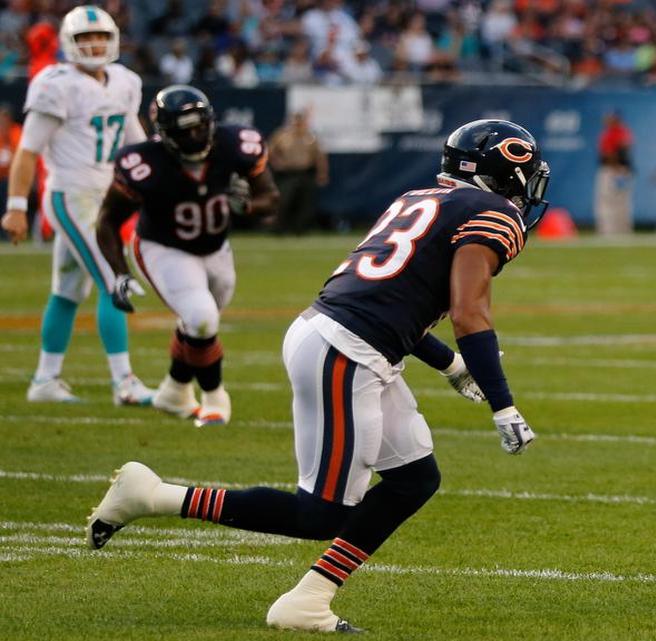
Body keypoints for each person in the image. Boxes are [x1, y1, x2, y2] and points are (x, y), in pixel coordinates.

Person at [85, 119, 549, 632]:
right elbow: (469, 314)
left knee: (414, 479)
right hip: (346, 350)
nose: (529, 186)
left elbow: (392, 302)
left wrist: (451, 365)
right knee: (319, 513)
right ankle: (152, 495)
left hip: (344, 338)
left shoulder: (422, 197)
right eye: (526, 172)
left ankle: (308, 599)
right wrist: (503, 404)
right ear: (501, 170)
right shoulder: (493, 211)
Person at [95, 86, 278, 428]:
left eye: (200, 126)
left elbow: (271, 197)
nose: (195, 136)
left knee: (198, 325)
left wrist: (247, 206)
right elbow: (107, 221)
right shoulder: (143, 163)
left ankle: (174, 390)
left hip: (216, 247)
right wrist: (118, 273)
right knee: (202, 317)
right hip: (162, 247)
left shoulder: (236, 144)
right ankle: (214, 397)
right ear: (164, 133)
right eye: (185, 130)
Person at [1, 6, 153, 406]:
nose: (93, 44)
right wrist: (16, 206)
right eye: (84, 39)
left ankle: (45, 380)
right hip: (71, 195)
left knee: (68, 291)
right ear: (70, 44)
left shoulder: (124, 81)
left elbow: (134, 142)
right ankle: (125, 383)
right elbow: (28, 153)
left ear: (113, 39)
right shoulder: (56, 83)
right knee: (113, 280)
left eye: (99, 36)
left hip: (104, 196)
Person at [268, 110, 328, 234]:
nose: (299, 123)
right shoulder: (282, 135)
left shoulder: (310, 136)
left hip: (306, 173)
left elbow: (320, 156)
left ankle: (300, 230)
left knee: (306, 204)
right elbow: (269, 151)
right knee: (284, 201)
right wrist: (277, 163)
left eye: (301, 121)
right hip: (287, 174)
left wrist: (322, 173)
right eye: (296, 121)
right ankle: (279, 229)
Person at [594, 110, 633, 235]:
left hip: (611, 170)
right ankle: (623, 230)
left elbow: (609, 153)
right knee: (622, 202)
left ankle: (608, 231)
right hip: (623, 170)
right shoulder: (625, 132)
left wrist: (616, 167)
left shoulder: (610, 133)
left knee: (607, 202)